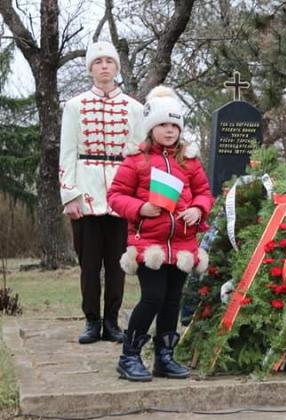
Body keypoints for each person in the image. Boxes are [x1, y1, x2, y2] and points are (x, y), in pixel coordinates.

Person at [108, 85, 214, 382]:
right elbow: (116, 196)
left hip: (182, 245)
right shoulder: (136, 160)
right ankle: (129, 356)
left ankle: (165, 357)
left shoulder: (189, 161)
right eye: (163, 125)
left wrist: (198, 209)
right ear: (151, 127)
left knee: (172, 300)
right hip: (149, 245)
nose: (169, 131)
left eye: (174, 125)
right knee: (152, 298)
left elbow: (205, 193)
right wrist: (141, 208)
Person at [59, 41, 145, 344]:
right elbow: (67, 152)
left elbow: (139, 156)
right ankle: (91, 321)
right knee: (89, 264)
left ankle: (111, 321)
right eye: (98, 62)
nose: (104, 66)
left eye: (109, 61)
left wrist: (139, 198)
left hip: (123, 195)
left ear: (116, 67)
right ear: (91, 68)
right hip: (86, 193)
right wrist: (69, 194)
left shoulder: (135, 108)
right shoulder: (74, 106)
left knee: (118, 264)